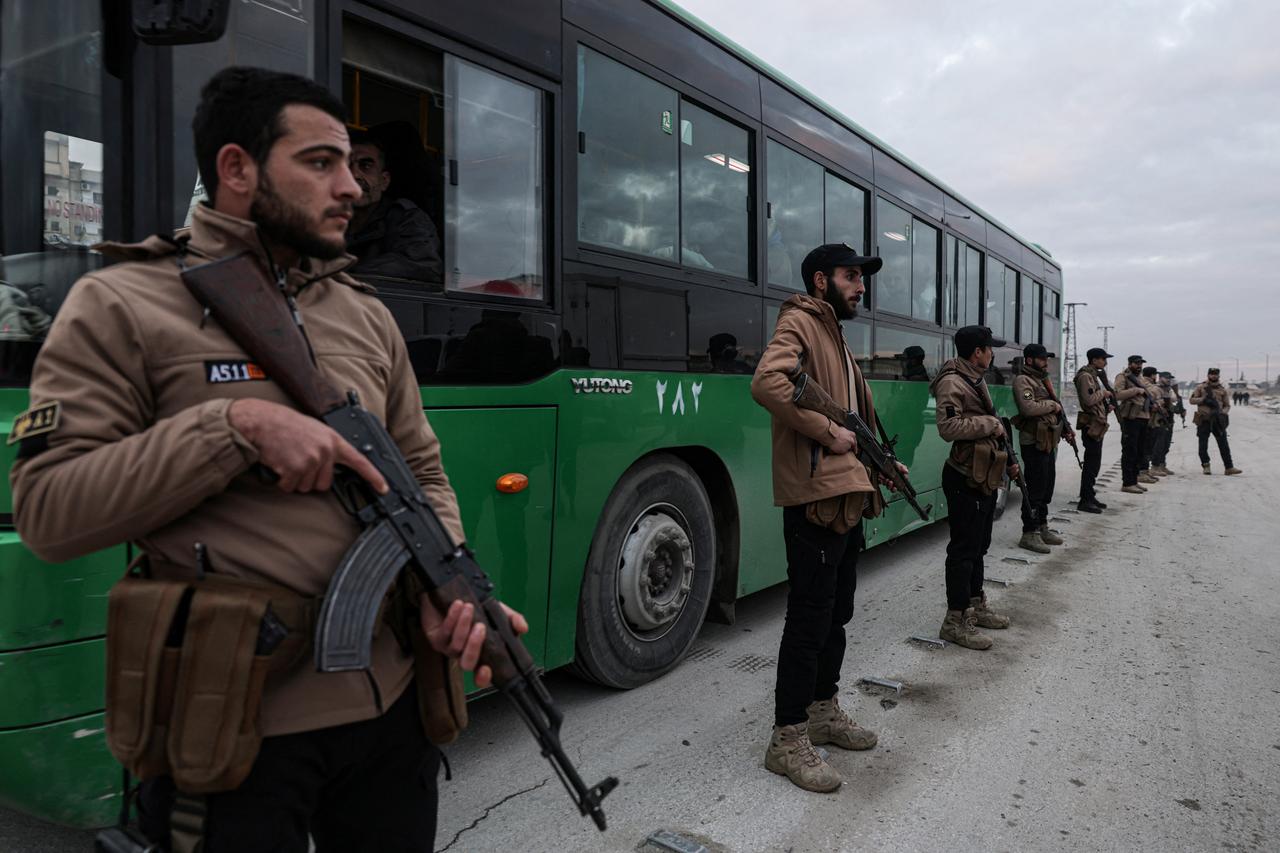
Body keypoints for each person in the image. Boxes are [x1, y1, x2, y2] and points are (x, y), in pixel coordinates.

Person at [9, 67, 525, 852]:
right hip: (234, 724)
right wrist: (232, 427)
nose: (350, 186)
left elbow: (423, 470)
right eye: (321, 163)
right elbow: (49, 513)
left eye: (353, 164)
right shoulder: (124, 303)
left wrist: (442, 585)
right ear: (237, 169)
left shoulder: (366, 314)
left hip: (391, 712)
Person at [751, 242, 891, 793]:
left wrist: (878, 455)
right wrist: (825, 432)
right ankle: (787, 739)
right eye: (851, 275)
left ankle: (822, 711)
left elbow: (852, 417)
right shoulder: (802, 323)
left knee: (837, 612)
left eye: (862, 277)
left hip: (846, 493)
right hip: (816, 495)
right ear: (819, 281)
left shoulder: (836, 334)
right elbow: (768, 383)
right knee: (809, 618)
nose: (861, 286)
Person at [929, 325, 1018, 651]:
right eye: (989, 348)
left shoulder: (974, 378)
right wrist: (990, 424)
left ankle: (976, 604)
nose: (992, 353)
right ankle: (955, 621)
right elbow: (948, 427)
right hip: (964, 477)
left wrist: (1009, 458)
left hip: (982, 475)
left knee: (979, 546)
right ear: (977, 351)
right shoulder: (954, 382)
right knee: (963, 551)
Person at [345, 128, 443, 284]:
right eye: (347, 166)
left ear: (384, 181)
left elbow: (424, 266)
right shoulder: (325, 218)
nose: (354, 175)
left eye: (366, 166)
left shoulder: (406, 218)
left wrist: (347, 274)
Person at [1011, 343, 1073, 552]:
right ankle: (1029, 532)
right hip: (1033, 441)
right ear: (1030, 360)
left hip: (1048, 440)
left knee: (1047, 487)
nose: (1046, 362)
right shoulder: (1023, 381)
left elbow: (1054, 411)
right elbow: (1028, 408)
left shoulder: (1042, 380)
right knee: (1035, 489)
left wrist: (1065, 428)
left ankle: (1042, 526)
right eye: (1042, 358)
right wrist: (1053, 406)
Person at [1073, 347, 1113, 514]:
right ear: (1094, 360)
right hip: (1091, 425)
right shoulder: (1085, 376)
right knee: (1091, 463)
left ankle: (1089, 495)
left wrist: (1105, 407)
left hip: (1097, 423)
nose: (1105, 362)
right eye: (1103, 359)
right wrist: (1103, 394)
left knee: (1094, 463)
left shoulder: (1093, 375)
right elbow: (1088, 400)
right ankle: (1085, 499)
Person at [1114, 354, 1157, 494]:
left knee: (1139, 451)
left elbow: (1148, 395)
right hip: (1131, 418)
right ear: (1130, 364)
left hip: (1143, 417)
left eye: (1140, 363)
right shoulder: (1122, 377)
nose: (1139, 366)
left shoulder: (1140, 379)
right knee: (1129, 451)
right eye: (1136, 363)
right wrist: (1136, 390)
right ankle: (1127, 482)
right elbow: (1117, 395)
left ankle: (1134, 480)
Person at [1190, 367, 1242, 475]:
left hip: (1218, 421)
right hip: (1204, 420)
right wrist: (1202, 399)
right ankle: (1206, 465)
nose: (1214, 376)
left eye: (1216, 374)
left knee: (1223, 444)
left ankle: (1229, 467)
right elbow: (1192, 400)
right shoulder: (1201, 387)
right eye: (1212, 374)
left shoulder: (1222, 389)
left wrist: (1223, 413)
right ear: (1208, 375)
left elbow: (1227, 405)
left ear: (1219, 375)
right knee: (1203, 445)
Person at [1140, 366, 1168, 478]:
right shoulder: (1153, 388)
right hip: (1151, 420)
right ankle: (1144, 471)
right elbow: (1155, 403)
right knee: (1147, 447)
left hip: (1145, 418)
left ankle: (1144, 471)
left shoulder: (1141, 383)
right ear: (1152, 375)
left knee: (1145, 447)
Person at [1150, 371, 1178, 475]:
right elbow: (1152, 403)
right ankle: (1155, 466)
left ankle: (1162, 464)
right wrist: (1161, 402)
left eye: (1170, 378)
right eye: (1166, 378)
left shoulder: (1168, 389)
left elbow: (1174, 399)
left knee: (1166, 444)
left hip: (1168, 418)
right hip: (1159, 419)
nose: (1168, 380)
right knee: (1159, 444)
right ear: (1160, 378)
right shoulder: (1155, 389)